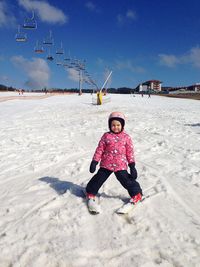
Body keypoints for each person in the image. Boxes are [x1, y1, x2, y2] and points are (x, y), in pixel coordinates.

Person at [86, 111, 142, 206]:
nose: (115, 127)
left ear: (122, 125)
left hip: (120, 165)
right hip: (106, 164)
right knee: (98, 179)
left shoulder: (126, 137)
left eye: (118, 125)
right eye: (113, 125)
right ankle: (90, 192)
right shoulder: (106, 136)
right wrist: (94, 161)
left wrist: (132, 166)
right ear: (109, 125)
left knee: (127, 181)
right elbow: (100, 149)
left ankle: (136, 194)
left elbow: (130, 152)